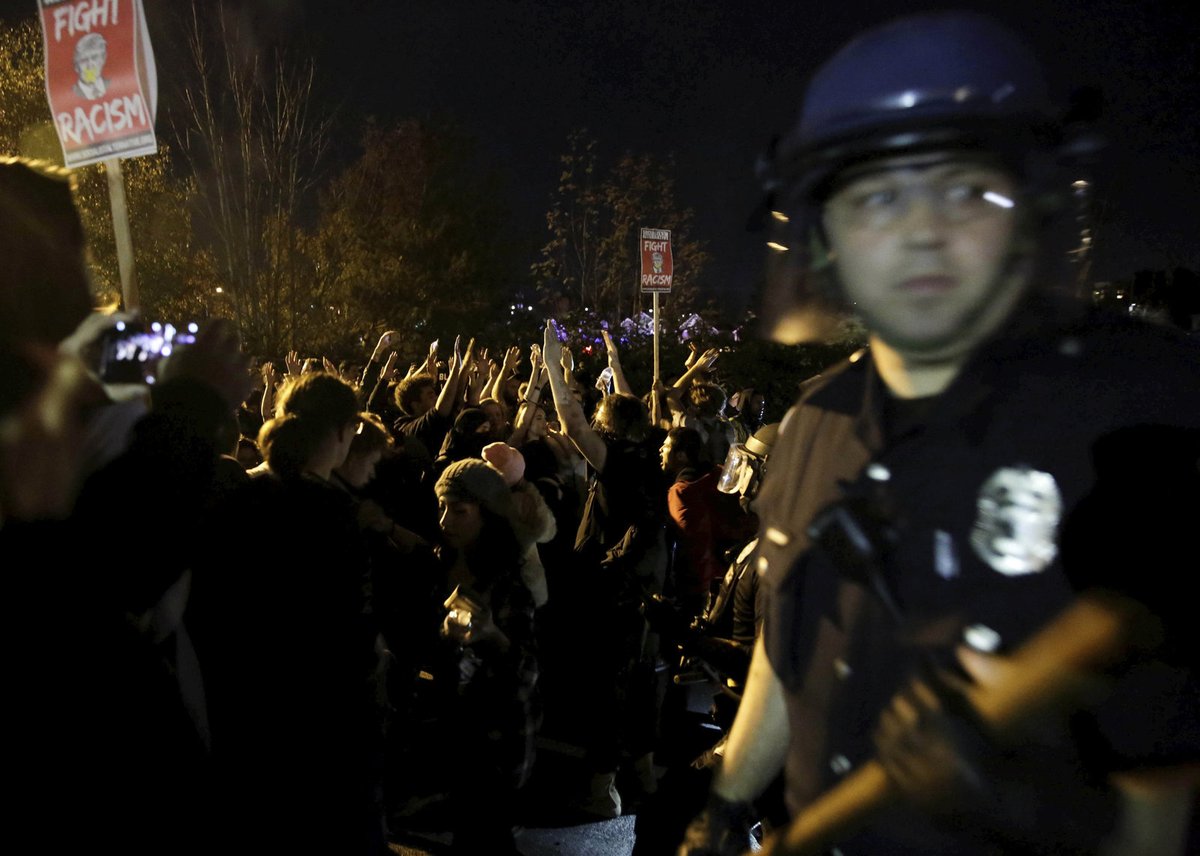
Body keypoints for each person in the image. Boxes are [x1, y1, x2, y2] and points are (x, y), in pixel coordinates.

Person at [681, 11, 1200, 856]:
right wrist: (727, 803)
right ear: (828, 237)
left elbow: (1165, 788)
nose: (925, 230)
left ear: (1029, 210)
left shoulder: (1148, 419)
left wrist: (1030, 798)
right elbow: (789, 644)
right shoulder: (812, 425)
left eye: (967, 189)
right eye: (879, 196)